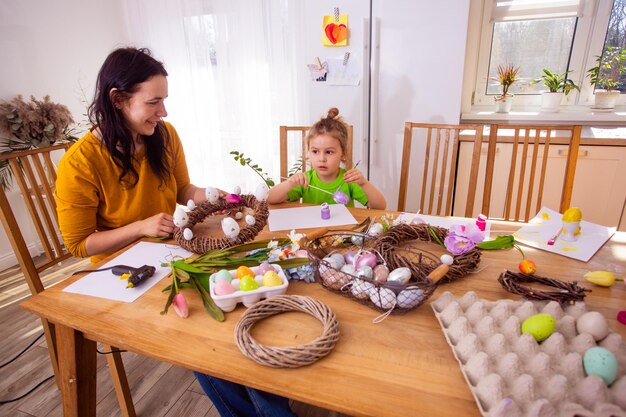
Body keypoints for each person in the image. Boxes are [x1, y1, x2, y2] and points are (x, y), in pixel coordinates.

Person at [55, 46, 296, 417]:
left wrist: (216, 196)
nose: (163, 112)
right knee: (211, 332)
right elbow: (78, 244)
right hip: (122, 276)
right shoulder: (81, 162)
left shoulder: (163, 137)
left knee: (239, 312)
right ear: (118, 100)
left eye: (164, 101)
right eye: (154, 102)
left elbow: (184, 190)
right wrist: (139, 227)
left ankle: (268, 407)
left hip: (171, 252)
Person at [267, 108, 386, 209]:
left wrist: (364, 184)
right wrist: (290, 183)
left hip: (342, 233)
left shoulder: (349, 181)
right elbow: (270, 199)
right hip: (312, 232)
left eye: (329, 152)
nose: (321, 159)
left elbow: (380, 206)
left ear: (343, 153)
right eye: (315, 151)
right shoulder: (306, 180)